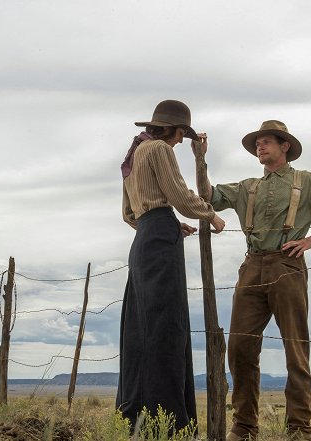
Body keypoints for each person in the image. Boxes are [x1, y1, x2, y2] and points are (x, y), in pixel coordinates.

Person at [195, 120, 311, 440]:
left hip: (288, 265)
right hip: (251, 267)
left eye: (266, 141)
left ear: (285, 146)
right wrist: (201, 160)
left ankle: (299, 429)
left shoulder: (307, 182)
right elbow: (206, 196)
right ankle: (244, 427)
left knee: (295, 349)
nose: (260, 146)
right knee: (240, 348)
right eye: (258, 143)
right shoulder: (247, 187)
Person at [116, 100, 226, 433]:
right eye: (180, 135)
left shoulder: (134, 156)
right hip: (160, 239)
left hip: (145, 240)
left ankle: (137, 418)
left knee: (141, 329)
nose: (180, 142)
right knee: (166, 328)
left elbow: (129, 214)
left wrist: (163, 223)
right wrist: (211, 215)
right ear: (172, 130)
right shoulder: (159, 150)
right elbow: (179, 195)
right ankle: (167, 423)